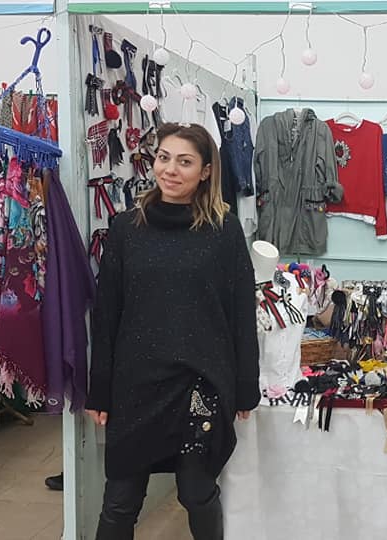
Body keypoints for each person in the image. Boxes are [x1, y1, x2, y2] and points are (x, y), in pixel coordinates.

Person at [85, 123, 261, 540]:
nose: (170, 170)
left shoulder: (224, 231)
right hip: (136, 383)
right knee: (120, 500)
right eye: (164, 158)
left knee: (197, 493)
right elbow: (107, 313)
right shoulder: (126, 228)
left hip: (200, 382)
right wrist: (100, 388)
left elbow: (241, 312)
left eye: (184, 162)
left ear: (205, 171)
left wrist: (245, 385)